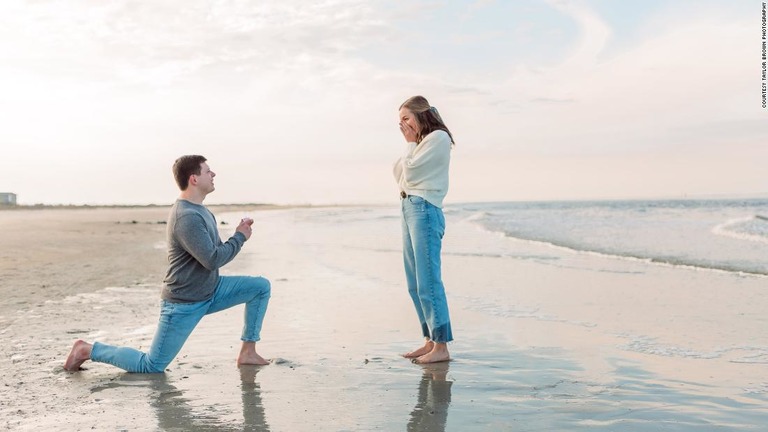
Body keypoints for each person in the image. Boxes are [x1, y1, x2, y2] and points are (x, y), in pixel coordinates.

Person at [64, 155, 272, 373]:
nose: (213, 174)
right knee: (152, 365)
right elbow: (212, 259)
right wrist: (239, 237)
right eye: (207, 171)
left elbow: (217, 251)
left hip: (211, 290)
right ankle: (86, 350)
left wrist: (238, 236)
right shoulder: (187, 216)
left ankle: (248, 352)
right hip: (184, 302)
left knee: (260, 287)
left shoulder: (202, 210)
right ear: (193, 179)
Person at [393, 95, 455, 364]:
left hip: (425, 209)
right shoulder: (419, 144)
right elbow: (401, 176)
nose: (402, 125)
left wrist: (408, 147)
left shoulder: (438, 138)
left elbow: (412, 173)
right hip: (409, 207)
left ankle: (441, 346)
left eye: (406, 118)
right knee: (414, 283)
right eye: (399, 121)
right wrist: (410, 148)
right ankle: (429, 340)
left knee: (429, 280)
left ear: (421, 115)